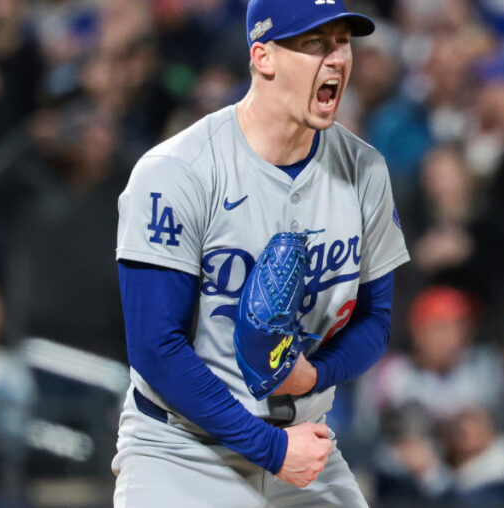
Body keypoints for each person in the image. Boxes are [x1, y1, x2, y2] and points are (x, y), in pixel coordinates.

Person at [110, 1, 409, 506]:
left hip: (303, 445)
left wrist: (315, 374)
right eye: (315, 43)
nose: (336, 58)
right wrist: (269, 448)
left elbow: (377, 318)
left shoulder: (365, 171)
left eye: (342, 41)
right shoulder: (178, 171)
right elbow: (155, 348)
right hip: (182, 452)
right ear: (263, 57)